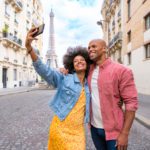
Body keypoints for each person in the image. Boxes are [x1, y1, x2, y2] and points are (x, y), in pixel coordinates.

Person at [25, 28, 91, 150]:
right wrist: (29, 48)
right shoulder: (64, 78)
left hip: (78, 132)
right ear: (72, 65)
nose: (79, 62)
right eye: (76, 61)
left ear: (87, 63)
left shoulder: (90, 85)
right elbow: (46, 71)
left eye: (82, 60)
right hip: (60, 128)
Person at [87, 39, 138, 150]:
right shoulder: (88, 71)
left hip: (115, 131)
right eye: (89, 47)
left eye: (94, 46)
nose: (90, 49)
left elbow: (131, 103)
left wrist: (124, 134)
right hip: (94, 128)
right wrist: (65, 69)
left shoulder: (122, 71)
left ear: (104, 48)